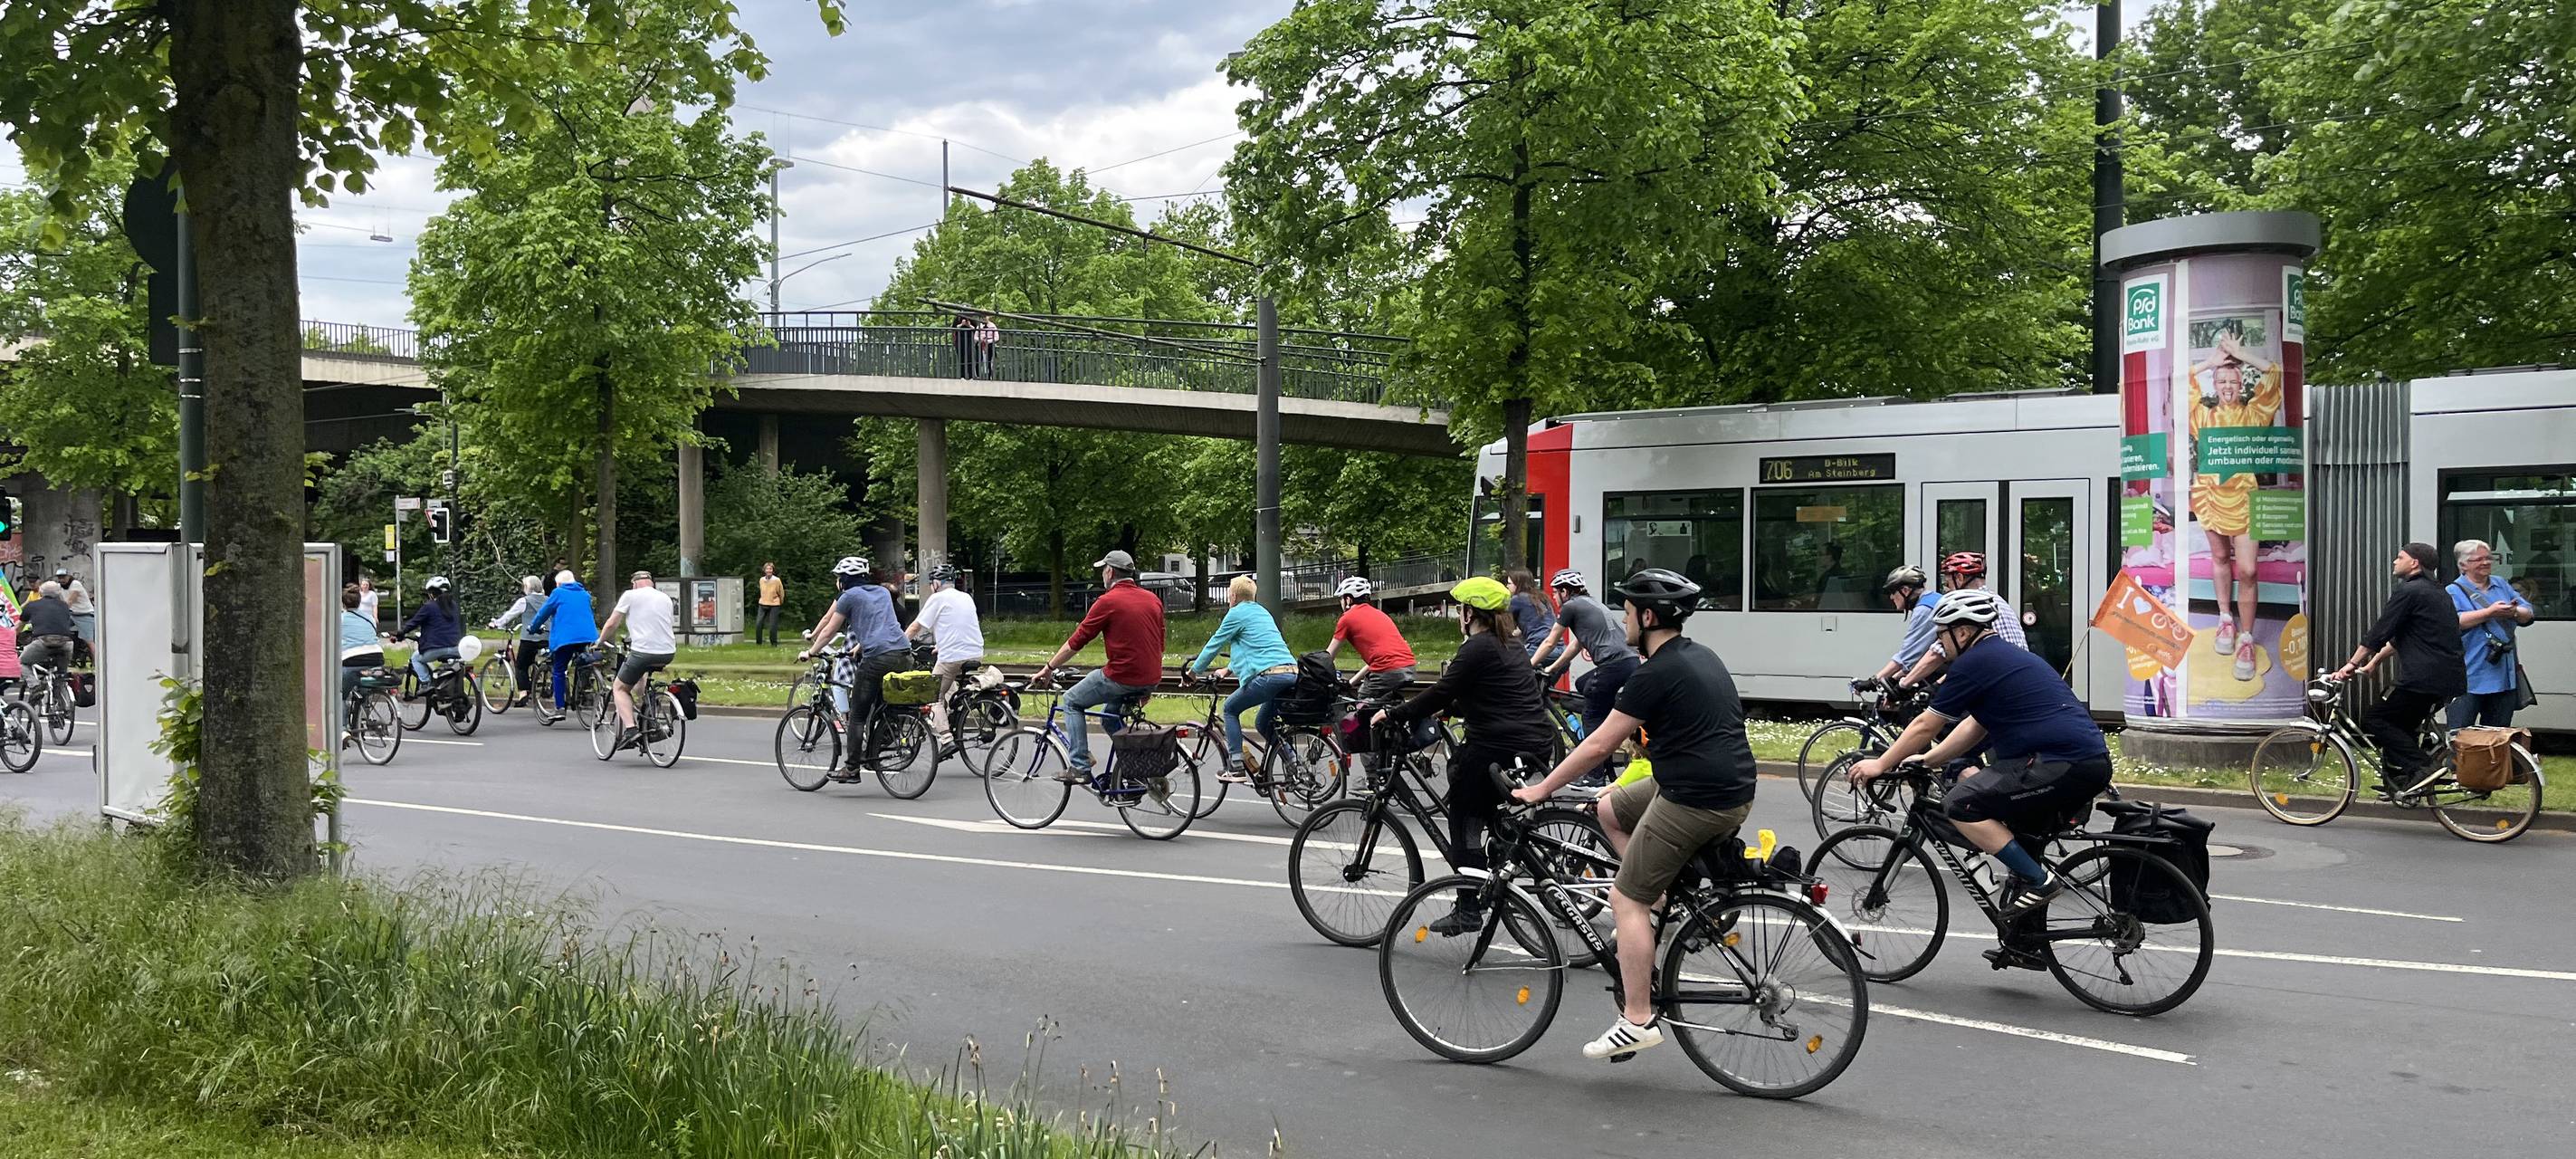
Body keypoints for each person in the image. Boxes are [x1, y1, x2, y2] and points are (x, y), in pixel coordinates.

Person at [1512, 568, 1755, 1060]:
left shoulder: (1655, 671)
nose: (1620, 620)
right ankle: (1662, 895)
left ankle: (1638, 1018)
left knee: (1625, 899)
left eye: (1625, 612)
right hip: (1722, 786)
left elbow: (1600, 743)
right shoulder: (1699, 657)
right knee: (1609, 808)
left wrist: (1542, 789)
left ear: (1647, 616)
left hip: (1696, 798)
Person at [1852, 588, 2113, 951]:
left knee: (1961, 804)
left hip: (2059, 763)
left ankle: (2040, 882)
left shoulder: (1976, 663)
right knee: (2021, 838)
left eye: (1942, 635)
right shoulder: (2000, 658)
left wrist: (1881, 763)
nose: (1940, 645)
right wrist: (1929, 760)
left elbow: (1925, 726)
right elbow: (1976, 725)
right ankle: (2025, 945)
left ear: (1962, 632)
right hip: (2080, 761)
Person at [1372, 577, 1551, 934]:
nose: (1459, 614)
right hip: (1535, 744)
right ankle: (1498, 856)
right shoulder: (1510, 644)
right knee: (1479, 798)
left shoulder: (1476, 647)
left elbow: (1442, 690)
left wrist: (1393, 714)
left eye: (1460, 609)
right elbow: (1487, 690)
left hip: (1497, 747)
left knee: (1463, 814)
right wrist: (1453, 708)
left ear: (1469, 613)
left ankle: (1468, 907)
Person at [2332, 542, 2466, 795]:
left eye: (2400, 557)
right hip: (2448, 677)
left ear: (2414, 563)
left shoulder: (2410, 591)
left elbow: (2381, 631)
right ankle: (2401, 783)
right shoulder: (2437, 592)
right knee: (2400, 728)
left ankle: (2423, 767)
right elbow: (2404, 636)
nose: (2395, 561)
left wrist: (2350, 665)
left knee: (2376, 719)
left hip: (2423, 678)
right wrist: (2373, 663)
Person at [2190, 327, 2285, 682]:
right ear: (2215, 384)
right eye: (2222, 380)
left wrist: (2241, 356)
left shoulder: (2254, 414)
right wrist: (2211, 361)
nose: (2227, 386)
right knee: (2218, 559)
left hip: (2245, 498)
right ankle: (2225, 620)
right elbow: (2176, 382)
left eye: (2233, 380)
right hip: (2210, 495)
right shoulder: (2203, 416)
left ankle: (2247, 636)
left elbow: (2274, 374)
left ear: (2240, 382)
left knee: (2247, 570)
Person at [1033, 550, 1167, 783]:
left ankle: (1080, 766)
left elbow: (1078, 640)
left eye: (1103, 570)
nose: (1102, 575)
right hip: (1150, 677)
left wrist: (1049, 667)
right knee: (1108, 716)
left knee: (1072, 700)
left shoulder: (1108, 602)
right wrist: (1147, 685)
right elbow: (1160, 642)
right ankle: (1134, 768)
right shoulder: (1152, 599)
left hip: (1123, 676)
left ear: (1110, 571)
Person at [798, 556, 911, 768]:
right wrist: (858, 647)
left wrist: (811, 652)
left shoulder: (847, 596)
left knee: (857, 715)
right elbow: (884, 625)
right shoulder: (882, 593)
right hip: (904, 653)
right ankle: (876, 748)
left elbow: (829, 630)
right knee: (878, 706)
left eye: (839, 577)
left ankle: (851, 768)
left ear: (845, 579)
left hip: (878, 657)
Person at [1531, 569, 1639, 786]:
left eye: (1555, 592)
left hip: (1613, 665)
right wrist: (1552, 667)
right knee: (1582, 684)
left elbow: (1550, 641)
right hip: (1629, 663)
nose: (1553, 597)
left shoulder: (1571, 607)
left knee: (1591, 714)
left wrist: (1529, 665)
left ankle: (1594, 776)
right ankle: (1603, 731)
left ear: (1564, 591)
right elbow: (1575, 645)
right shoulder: (1591, 603)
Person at [1189, 575, 1297, 783]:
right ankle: (1293, 762)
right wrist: (1228, 669)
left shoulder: (1235, 613)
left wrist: (1193, 672)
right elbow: (1256, 648)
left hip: (1269, 677)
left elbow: (1215, 643)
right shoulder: (1262, 612)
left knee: (1230, 709)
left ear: (1233, 596)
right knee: (1263, 722)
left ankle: (1236, 766)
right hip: (1291, 673)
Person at [1902, 551, 2027, 686]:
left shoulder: (1969, 606)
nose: (1946, 588)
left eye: (1948, 582)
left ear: (1960, 578)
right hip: (2016, 674)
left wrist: (1904, 683)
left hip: (1998, 680)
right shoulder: (1997, 600)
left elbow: (1938, 653)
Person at [2447, 539, 2535, 729]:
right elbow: (2454, 622)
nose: (2485, 562)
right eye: (2478, 559)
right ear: (2463, 565)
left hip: (2504, 677)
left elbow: (2527, 612)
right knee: (2461, 739)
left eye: (2488, 558)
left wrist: (2515, 612)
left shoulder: (2501, 584)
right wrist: (2489, 612)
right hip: (2469, 677)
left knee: (2497, 738)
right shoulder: (2453, 591)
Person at [906, 563, 985, 752]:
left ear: (936, 582)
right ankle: (953, 716)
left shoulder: (937, 598)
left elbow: (916, 627)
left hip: (953, 656)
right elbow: (959, 624)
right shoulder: (966, 597)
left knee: (932, 695)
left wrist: (899, 644)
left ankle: (946, 739)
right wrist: (940, 646)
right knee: (950, 685)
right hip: (975, 651)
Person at [597, 570, 677, 752]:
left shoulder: (630, 595)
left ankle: (631, 730)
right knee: (639, 677)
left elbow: (612, 623)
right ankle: (649, 710)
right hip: (667, 652)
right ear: (652, 584)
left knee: (619, 688)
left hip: (643, 652)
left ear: (634, 584)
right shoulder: (665, 598)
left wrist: (600, 641)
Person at [527, 569, 600, 722]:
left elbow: (543, 613)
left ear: (559, 584)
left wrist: (533, 628)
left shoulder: (558, 593)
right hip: (587, 636)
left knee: (559, 670)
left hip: (565, 639)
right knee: (582, 661)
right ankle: (582, 689)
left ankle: (560, 708)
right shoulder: (585, 594)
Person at [1867, 564, 1940, 689]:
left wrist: (1873, 682)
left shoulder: (1924, 610)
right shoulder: (1933, 599)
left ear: (1905, 590)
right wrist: (1894, 679)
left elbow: (1908, 656)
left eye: (1892, 592)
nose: (1891, 597)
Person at [489, 575, 549, 708]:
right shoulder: (548, 600)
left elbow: (510, 615)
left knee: (521, 666)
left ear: (528, 587)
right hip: (547, 638)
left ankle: (523, 693)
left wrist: (496, 624)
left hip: (530, 638)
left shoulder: (524, 601)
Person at [396, 576, 463, 693]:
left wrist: (400, 633)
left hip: (436, 648)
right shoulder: (454, 606)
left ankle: (426, 684)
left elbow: (413, 623)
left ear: (432, 594)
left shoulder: (429, 606)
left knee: (415, 658)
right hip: (456, 648)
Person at [18, 582, 80, 675]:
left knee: (22, 662)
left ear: (40, 592)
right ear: (58, 593)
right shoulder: (64, 606)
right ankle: (62, 685)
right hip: (66, 643)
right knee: (62, 674)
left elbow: (18, 628)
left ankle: (34, 686)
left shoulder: (32, 605)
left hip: (44, 642)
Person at [339, 584, 385, 703]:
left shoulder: (340, 619)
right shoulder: (369, 618)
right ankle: (364, 710)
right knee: (364, 690)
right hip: (376, 658)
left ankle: (344, 720)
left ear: (343, 603)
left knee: (340, 696)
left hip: (352, 659)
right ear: (359, 602)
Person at [1505, 570, 1555, 659]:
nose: (1507, 586)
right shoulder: (1541, 597)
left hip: (1538, 649)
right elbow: (1536, 624)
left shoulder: (1517, 599)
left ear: (1518, 584)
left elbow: (1503, 624)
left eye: (1509, 583)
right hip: (1558, 649)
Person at [57, 568, 95, 647]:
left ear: (69, 576)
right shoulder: (59, 587)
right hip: (72, 614)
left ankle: (97, 659)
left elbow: (69, 602)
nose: (61, 580)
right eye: (59, 578)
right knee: (56, 630)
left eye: (64, 577)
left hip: (84, 614)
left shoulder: (75, 584)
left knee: (88, 641)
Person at [754, 561, 786, 647]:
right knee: (758, 623)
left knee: (773, 625)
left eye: (770, 569)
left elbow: (781, 592)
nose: (769, 571)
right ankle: (758, 642)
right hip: (763, 603)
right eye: (767, 569)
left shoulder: (777, 580)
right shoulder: (761, 580)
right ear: (764, 570)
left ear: (773, 570)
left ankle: (774, 643)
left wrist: (780, 601)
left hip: (774, 604)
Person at [951, 312, 978, 379]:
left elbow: (976, 329)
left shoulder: (972, 318)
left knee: (969, 357)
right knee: (961, 357)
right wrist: (961, 324)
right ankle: (962, 375)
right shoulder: (958, 318)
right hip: (959, 339)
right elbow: (954, 328)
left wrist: (969, 325)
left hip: (969, 339)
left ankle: (971, 376)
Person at [975, 313, 1001, 378]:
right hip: (980, 344)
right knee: (978, 360)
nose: (984, 318)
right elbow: (975, 337)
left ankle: (989, 376)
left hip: (990, 345)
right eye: (983, 317)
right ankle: (978, 375)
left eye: (985, 316)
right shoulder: (979, 326)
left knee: (989, 361)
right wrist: (980, 339)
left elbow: (997, 337)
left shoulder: (993, 326)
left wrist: (989, 341)